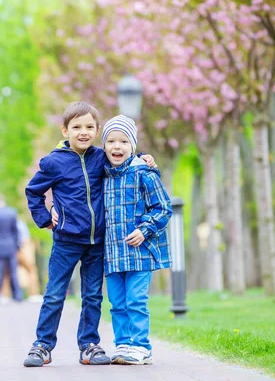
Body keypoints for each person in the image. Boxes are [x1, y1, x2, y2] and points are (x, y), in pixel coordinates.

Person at [23, 102, 156, 367]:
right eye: (76, 127)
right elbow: (33, 192)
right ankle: (42, 345)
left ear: (96, 130)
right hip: (66, 242)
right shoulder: (53, 162)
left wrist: (145, 158)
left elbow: (124, 156)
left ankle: (89, 345)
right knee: (54, 294)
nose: (83, 132)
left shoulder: (101, 157)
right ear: (65, 130)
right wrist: (46, 217)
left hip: (98, 243)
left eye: (89, 127)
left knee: (93, 295)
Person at [101, 115, 172, 365]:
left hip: (139, 252)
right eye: (110, 141)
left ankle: (142, 347)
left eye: (123, 141)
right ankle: (123, 344)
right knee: (117, 304)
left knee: (136, 302)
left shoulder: (144, 173)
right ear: (104, 145)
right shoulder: (102, 175)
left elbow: (163, 208)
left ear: (133, 146)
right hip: (111, 253)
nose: (116, 147)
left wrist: (145, 229)